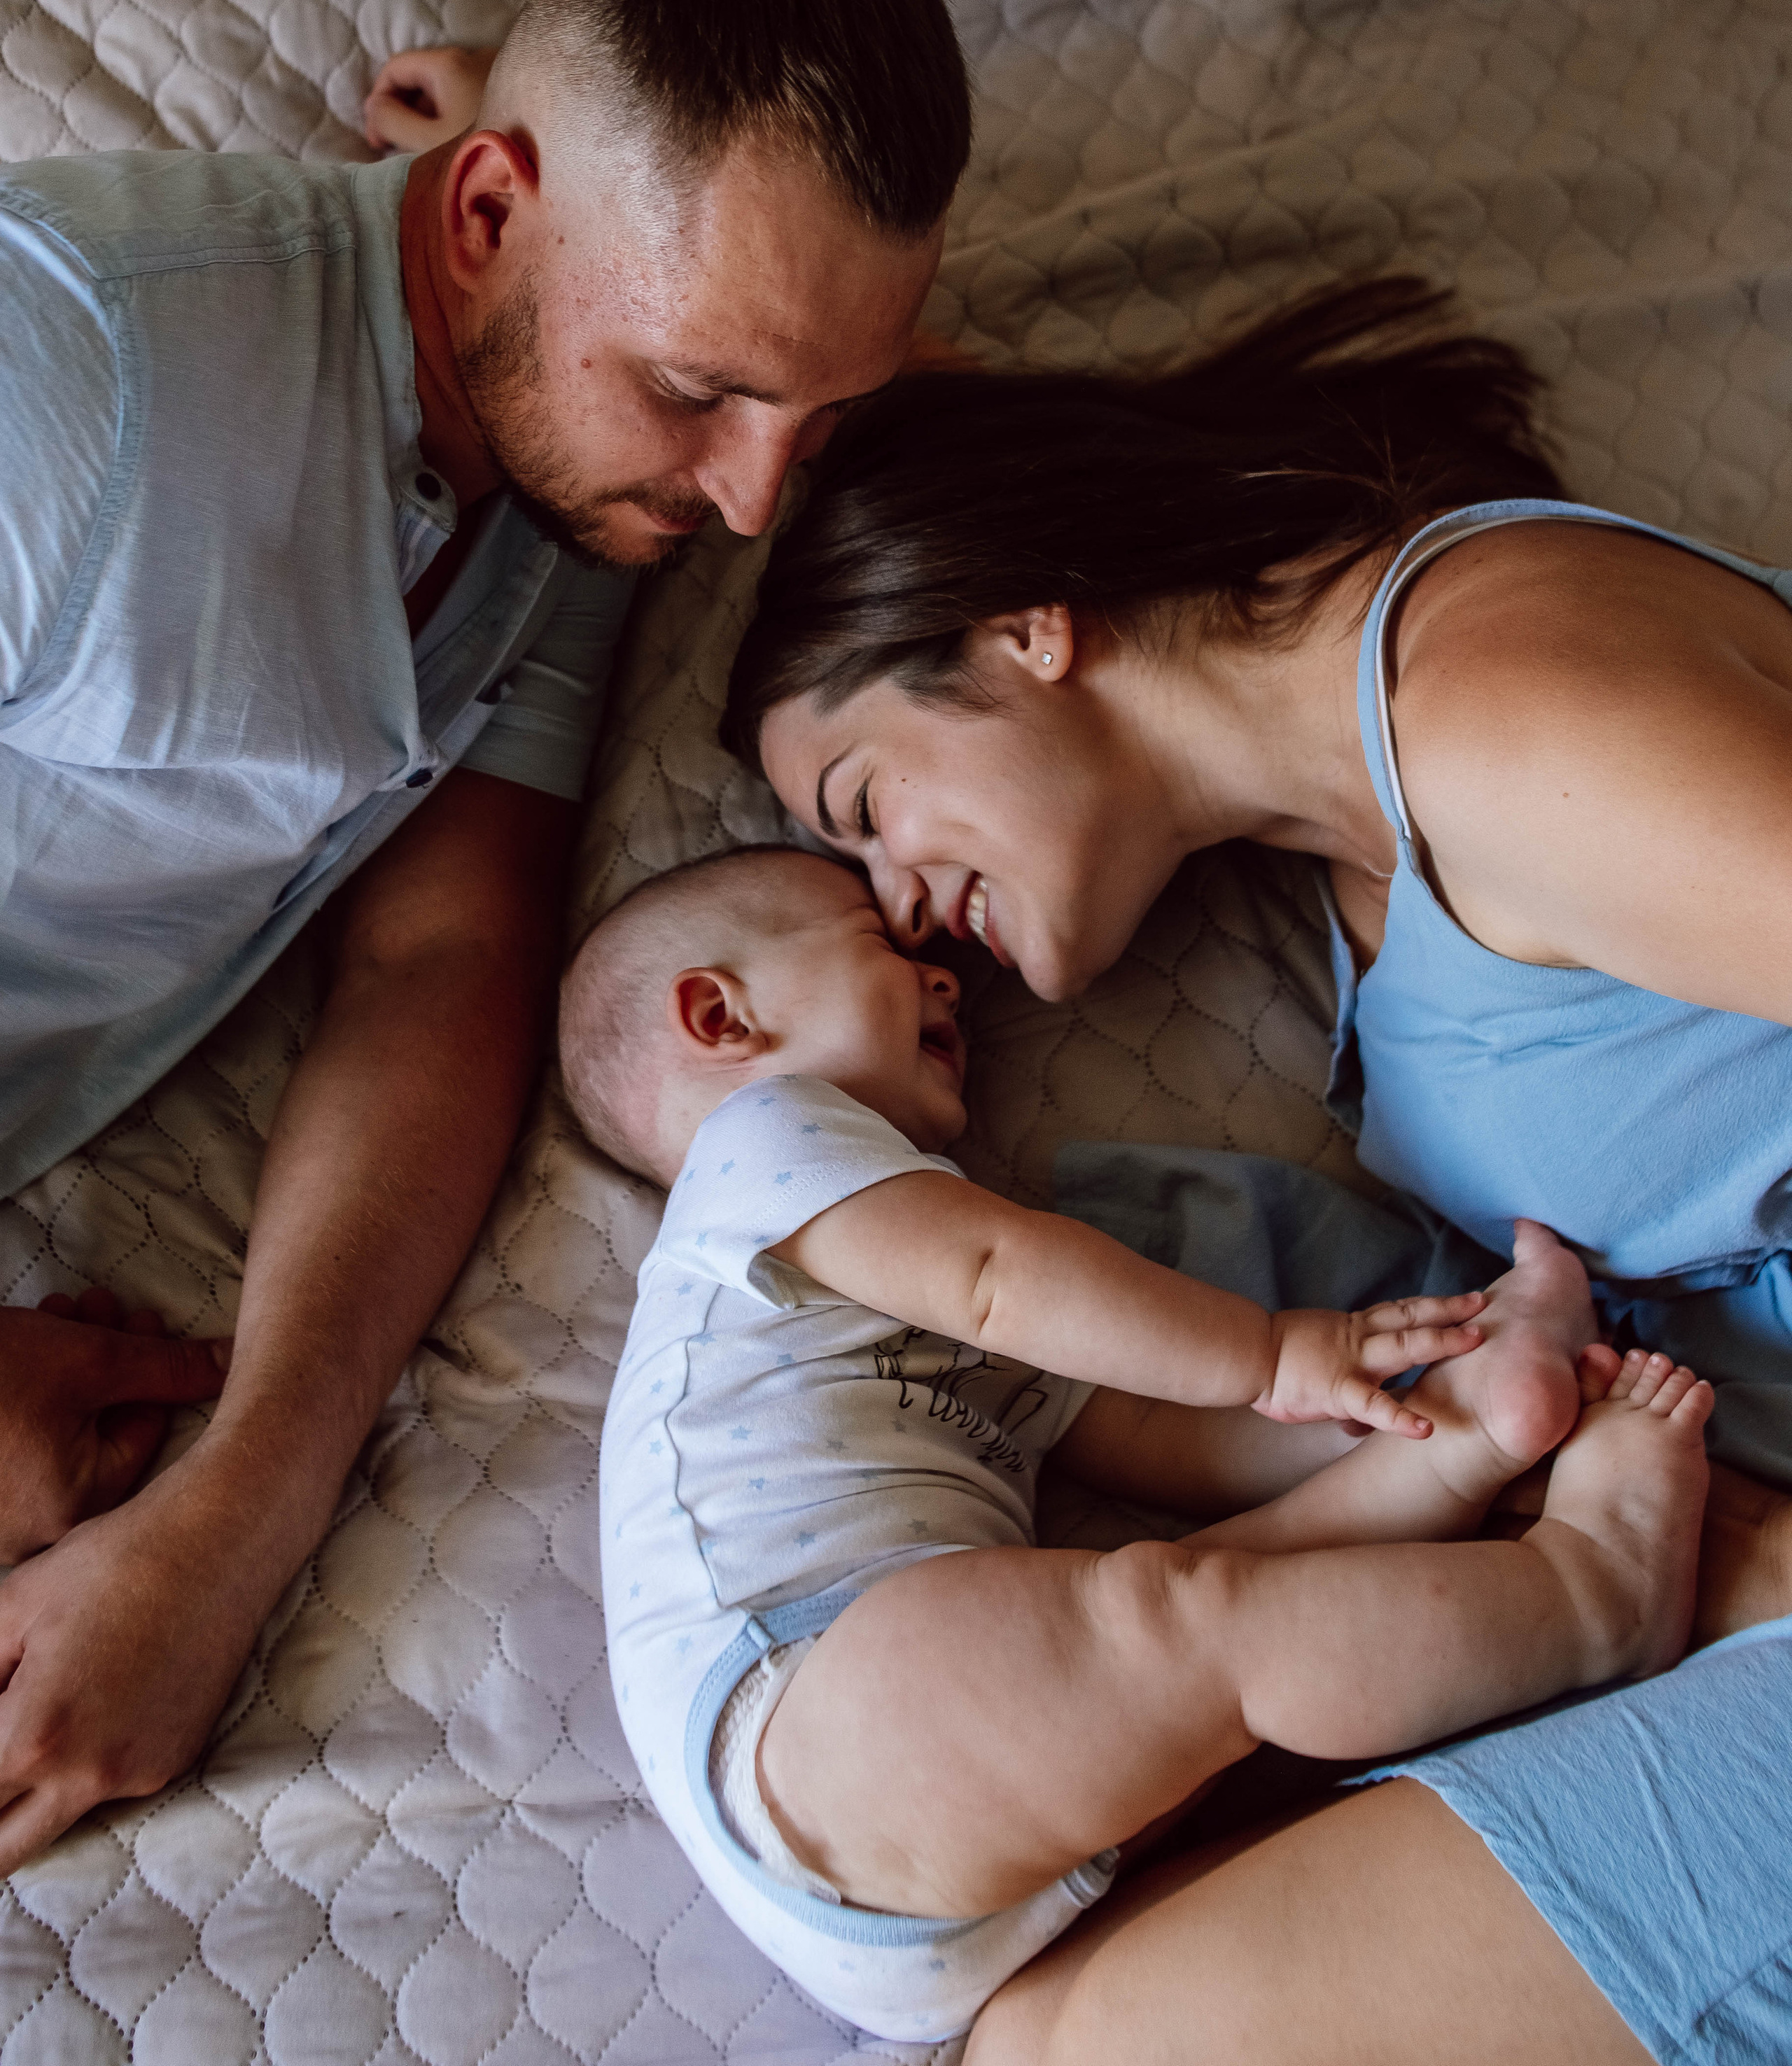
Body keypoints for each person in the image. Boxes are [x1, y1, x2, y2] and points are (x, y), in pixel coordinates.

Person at [0, 0, 969, 1875]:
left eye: (819, 413)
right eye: (703, 391)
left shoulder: (565, 484)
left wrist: (232, 1522)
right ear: (492, 210)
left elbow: (439, 969)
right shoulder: (68, 382)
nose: (746, 503)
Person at [721, 274, 1792, 2065]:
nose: (894, 898)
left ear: (1017, 628)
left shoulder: (1492, 713)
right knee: (1026, 2010)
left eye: (861, 800)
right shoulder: (1352, 838)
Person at [572, 843, 1709, 2046]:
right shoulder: (761, 1141)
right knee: (1182, 1611)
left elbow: (1166, 1438)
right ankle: (1589, 1596)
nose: (947, 979)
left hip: (958, 1852)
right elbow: (1001, 1276)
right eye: (884, 945)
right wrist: (1274, 1351)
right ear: (721, 1015)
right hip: (802, 1734)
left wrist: (1365, 1408)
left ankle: (1469, 1431)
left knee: (1226, 1581)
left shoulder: (888, 1269)